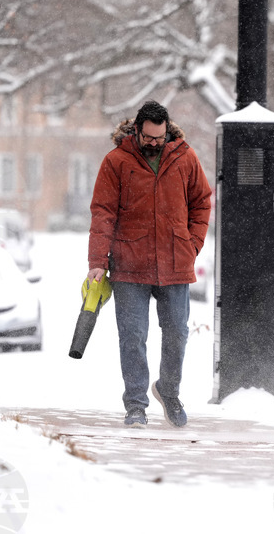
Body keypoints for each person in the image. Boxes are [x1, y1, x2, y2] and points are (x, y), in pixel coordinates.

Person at [87, 101, 212, 428]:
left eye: (159, 136)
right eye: (148, 137)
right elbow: (103, 213)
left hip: (175, 262)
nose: (154, 142)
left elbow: (201, 202)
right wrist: (98, 261)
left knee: (176, 334)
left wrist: (192, 243)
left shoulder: (185, 157)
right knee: (132, 336)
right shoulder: (116, 162)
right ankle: (136, 406)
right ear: (137, 130)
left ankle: (168, 391)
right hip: (129, 264)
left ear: (167, 129)